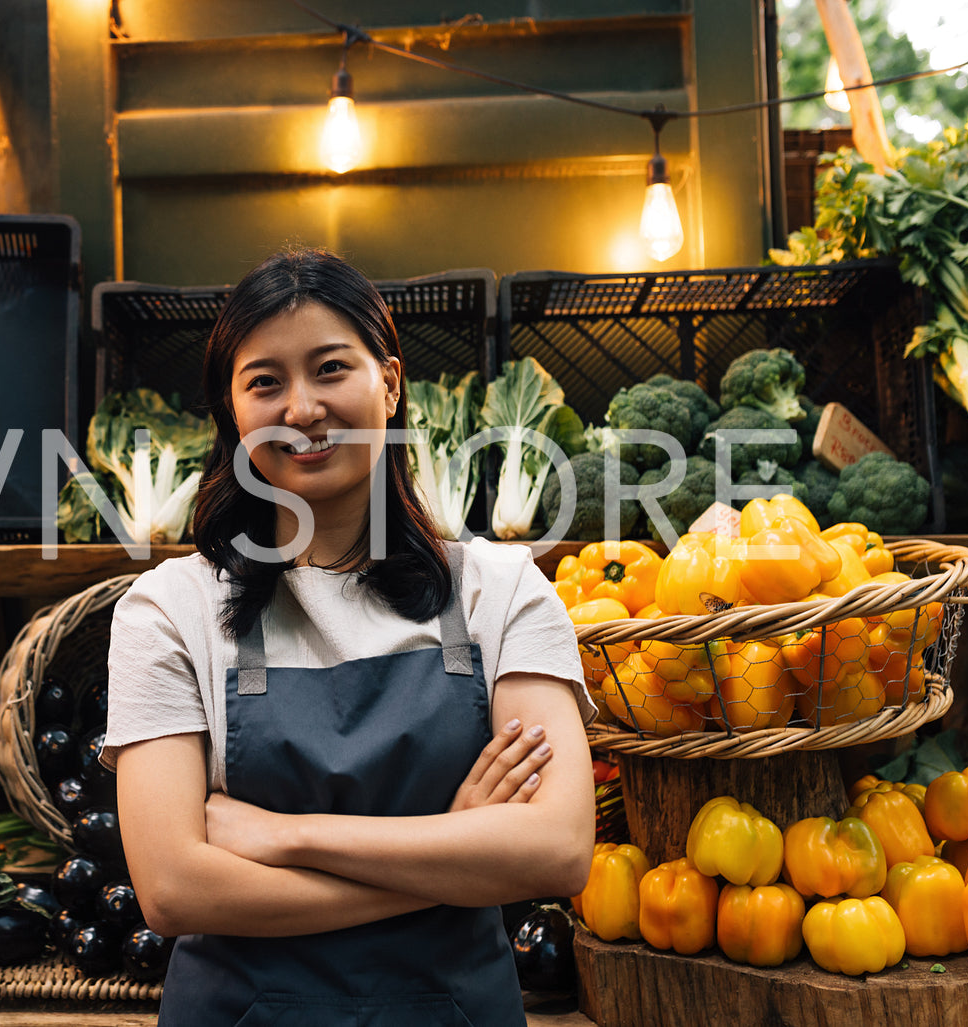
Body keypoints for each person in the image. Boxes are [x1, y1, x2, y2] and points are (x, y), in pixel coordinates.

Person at [100, 248, 596, 1026]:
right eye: (264, 382)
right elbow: (172, 888)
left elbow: (558, 849)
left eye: (330, 368)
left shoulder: (501, 591)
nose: (300, 408)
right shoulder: (168, 608)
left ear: (389, 382)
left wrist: (283, 835)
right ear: (232, 410)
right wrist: (457, 848)